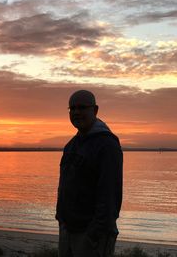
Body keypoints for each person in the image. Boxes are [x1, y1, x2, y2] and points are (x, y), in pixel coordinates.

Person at [56, 90, 123, 257]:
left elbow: (109, 194)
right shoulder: (71, 145)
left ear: (95, 110)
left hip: (92, 235)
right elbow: (64, 185)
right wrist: (61, 218)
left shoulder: (107, 145)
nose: (76, 112)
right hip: (68, 230)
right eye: (72, 108)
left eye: (82, 107)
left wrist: (96, 232)